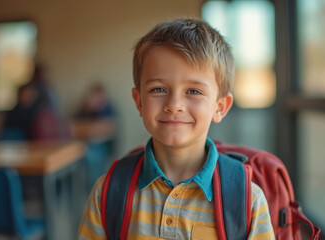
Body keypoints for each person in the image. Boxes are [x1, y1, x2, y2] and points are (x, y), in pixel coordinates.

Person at [77, 19, 275, 239]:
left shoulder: (248, 201)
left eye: (194, 91)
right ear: (139, 102)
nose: (174, 105)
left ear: (220, 107)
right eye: (159, 89)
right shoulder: (107, 192)